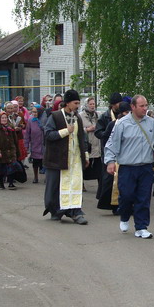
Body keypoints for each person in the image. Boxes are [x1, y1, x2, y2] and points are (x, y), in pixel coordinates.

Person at [104, 95, 154, 238]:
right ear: (133, 107)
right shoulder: (122, 124)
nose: (145, 109)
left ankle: (141, 227)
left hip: (146, 167)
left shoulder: (152, 123)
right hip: (127, 167)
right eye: (141, 106)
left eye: (146, 105)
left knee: (143, 197)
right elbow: (112, 143)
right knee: (127, 196)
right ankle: (124, 216)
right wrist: (110, 161)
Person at [42, 89, 90, 225]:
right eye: (75, 103)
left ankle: (75, 211)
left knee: (74, 185)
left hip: (74, 159)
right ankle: (56, 211)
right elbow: (48, 134)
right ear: (67, 103)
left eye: (78, 103)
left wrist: (85, 155)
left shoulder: (78, 118)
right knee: (56, 186)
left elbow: (82, 138)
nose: (77, 106)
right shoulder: (55, 116)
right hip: (57, 158)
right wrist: (65, 132)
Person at [97, 101, 131, 213]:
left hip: (128, 156)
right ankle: (113, 206)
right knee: (112, 182)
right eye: (126, 112)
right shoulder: (113, 124)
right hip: (115, 156)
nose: (128, 114)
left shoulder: (132, 123)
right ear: (121, 113)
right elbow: (106, 139)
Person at [95, 92, 122, 198]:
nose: (119, 105)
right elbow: (98, 132)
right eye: (117, 103)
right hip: (107, 148)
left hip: (120, 149)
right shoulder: (105, 117)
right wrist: (106, 133)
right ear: (112, 105)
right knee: (108, 176)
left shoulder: (123, 115)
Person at [0, 112, 20, 190]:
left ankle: (11, 183)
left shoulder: (11, 127)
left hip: (11, 150)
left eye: (5, 118)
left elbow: (15, 139)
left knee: (12, 167)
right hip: (1, 150)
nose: (4, 119)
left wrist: (16, 150)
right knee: (1, 168)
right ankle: (1, 183)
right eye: (2, 118)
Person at [81, 96, 102, 189]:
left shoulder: (98, 115)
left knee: (98, 167)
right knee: (85, 165)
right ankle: (81, 184)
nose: (92, 106)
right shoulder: (81, 116)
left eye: (94, 104)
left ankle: (100, 186)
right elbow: (77, 130)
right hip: (87, 144)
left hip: (97, 144)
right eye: (90, 104)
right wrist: (87, 129)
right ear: (86, 105)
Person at [25, 106, 45, 183]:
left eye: (36, 112)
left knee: (44, 162)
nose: (34, 114)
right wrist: (26, 146)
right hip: (35, 144)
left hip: (43, 145)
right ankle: (35, 177)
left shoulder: (44, 120)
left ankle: (46, 177)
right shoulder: (30, 121)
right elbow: (27, 134)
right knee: (35, 162)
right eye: (33, 112)